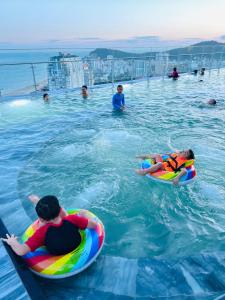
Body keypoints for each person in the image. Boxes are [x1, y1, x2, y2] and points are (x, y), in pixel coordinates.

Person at [1, 195, 97, 256]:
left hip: (56, 253)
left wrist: (12, 241)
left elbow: (21, 251)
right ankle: (38, 202)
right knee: (77, 214)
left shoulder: (41, 233)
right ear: (59, 210)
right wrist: (85, 214)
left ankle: (37, 203)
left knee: (46, 227)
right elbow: (94, 225)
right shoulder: (72, 219)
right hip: (76, 243)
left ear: (40, 218)